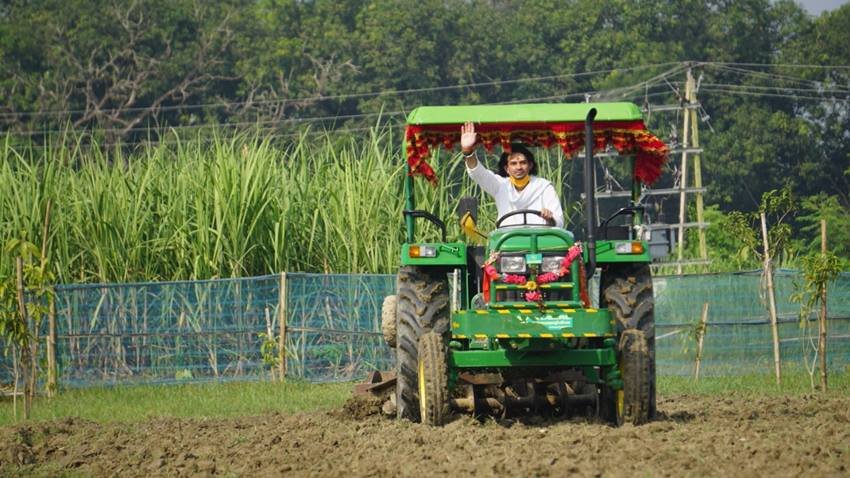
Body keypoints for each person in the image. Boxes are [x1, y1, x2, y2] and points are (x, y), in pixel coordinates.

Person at [460, 121, 564, 228]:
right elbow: (478, 173)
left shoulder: (544, 187)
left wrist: (550, 218)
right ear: (507, 168)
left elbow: (559, 221)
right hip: (506, 241)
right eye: (513, 163)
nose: (519, 167)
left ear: (530, 165)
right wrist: (468, 151)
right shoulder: (500, 185)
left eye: (523, 163)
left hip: (539, 241)